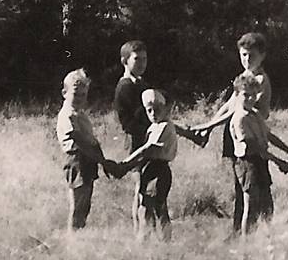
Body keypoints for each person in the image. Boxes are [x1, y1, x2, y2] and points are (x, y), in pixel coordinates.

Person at [193, 33, 288, 223]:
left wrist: (209, 125)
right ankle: (240, 228)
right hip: (236, 131)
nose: (247, 59)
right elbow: (229, 105)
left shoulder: (260, 80)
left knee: (252, 186)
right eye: (243, 55)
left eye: (252, 55)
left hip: (251, 130)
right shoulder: (244, 77)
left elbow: (241, 112)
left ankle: (248, 227)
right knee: (241, 183)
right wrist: (208, 126)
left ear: (262, 55)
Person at [113, 40, 203, 232]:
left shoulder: (143, 85)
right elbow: (130, 123)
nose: (142, 64)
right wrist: (151, 135)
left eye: (145, 59)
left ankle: (153, 231)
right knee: (141, 192)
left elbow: (159, 119)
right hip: (138, 144)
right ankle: (140, 233)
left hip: (152, 143)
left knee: (153, 191)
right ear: (124, 61)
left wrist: (185, 133)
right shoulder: (125, 87)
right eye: (137, 59)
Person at [227, 73, 288, 238]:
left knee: (267, 204)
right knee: (251, 205)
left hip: (260, 162)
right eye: (245, 95)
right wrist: (280, 162)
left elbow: (269, 136)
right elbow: (255, 147)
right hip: (248, 163)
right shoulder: (239, 119)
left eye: (253, 95)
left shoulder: (255, 114)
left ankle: (266, 239)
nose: (250, 99)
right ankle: (245, 243)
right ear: (237, 94)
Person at [56, 68, 120, 231]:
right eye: (75, 94)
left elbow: (91, 141)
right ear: (65, 92)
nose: (79, 98)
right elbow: (80, 142)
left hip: (88, 159)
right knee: (78, 204)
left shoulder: (80, 113)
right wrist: (102, 161)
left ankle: (80, 235)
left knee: (85, 204)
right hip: (77, 160)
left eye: (83, 95)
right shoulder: (68, 114)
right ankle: (73, 239)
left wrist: (102, 161)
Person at [118, 90, 179, 241]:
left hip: (159, 169)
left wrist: (126, 164)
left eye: (157, 109)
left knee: (158, 206)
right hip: (149, 169)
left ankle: (164, 239)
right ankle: (147, 236)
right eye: (149, 110)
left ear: (166, 108)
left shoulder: (165, 126)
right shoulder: (154, 127)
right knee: (145, 204)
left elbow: (148, 148)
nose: (153, 113)